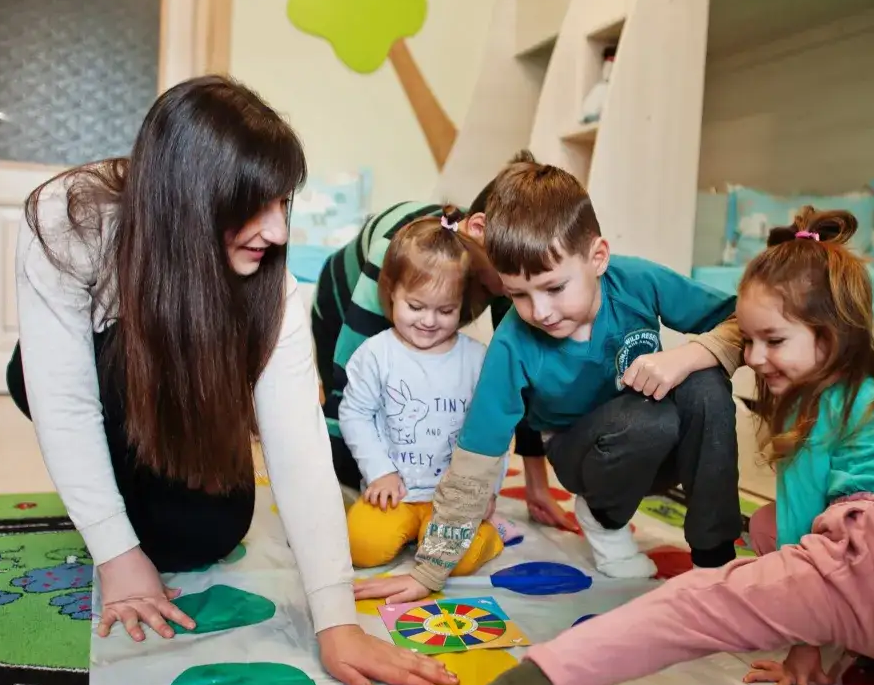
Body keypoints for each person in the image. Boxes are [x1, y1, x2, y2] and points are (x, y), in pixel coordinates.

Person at [413, 208, 874, 685]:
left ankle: (542, 680)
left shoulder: (814, 408)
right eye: (517, 295)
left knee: (692, 607)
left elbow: (799, 533)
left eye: (773, 341)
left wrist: (805, 643)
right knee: (762, 526)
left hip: (863, 564)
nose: (756, 358)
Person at [6, 75, 457, 685]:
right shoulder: (69, 220)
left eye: (283, 204)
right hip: (101, 366)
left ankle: (134, 473)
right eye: (255, 206)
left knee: (204, 535)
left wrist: (336, 620)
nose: (278, 232)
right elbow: (65, 400)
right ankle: (112, 479)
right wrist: (115, 552)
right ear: (192, 197)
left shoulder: (273, 282)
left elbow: (298, 443)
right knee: (112, 497)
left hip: (187, 380)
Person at [355, 153, 744, 603]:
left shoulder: (637, 281)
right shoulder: (513, 342)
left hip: (663, 453)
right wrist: (429, 570)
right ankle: (603, 516)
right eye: (518, 295)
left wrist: (690, 355)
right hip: (588, 457)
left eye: (555, 288)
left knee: (705, 383)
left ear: (598, 257)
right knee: (650, 420)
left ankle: (715, 561)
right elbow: (476, 457)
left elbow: (743, 321)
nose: (539, 311)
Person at [311, 177, 580, 534]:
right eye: (514, 285)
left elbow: (514, 381)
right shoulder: (400, 249)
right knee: (349, 454)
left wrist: (536, 484)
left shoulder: (506, 270)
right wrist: (346, 488)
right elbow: (348, 383)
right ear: (480, 230)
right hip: (341, 305)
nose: (521, 294)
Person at [339, 209, 517, 571]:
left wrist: (486, 491)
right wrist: (380, 472)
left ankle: (488, 537)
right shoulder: (375, 354)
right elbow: (354, 414)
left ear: (462, 304)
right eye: (415, 306)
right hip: (395, 494)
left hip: (453, 499)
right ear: (392, 293)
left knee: (457, 559)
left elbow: (494, 432)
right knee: (360, 546)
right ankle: (413, 532)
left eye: (445, 310)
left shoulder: (478, 360)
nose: (429, 321)